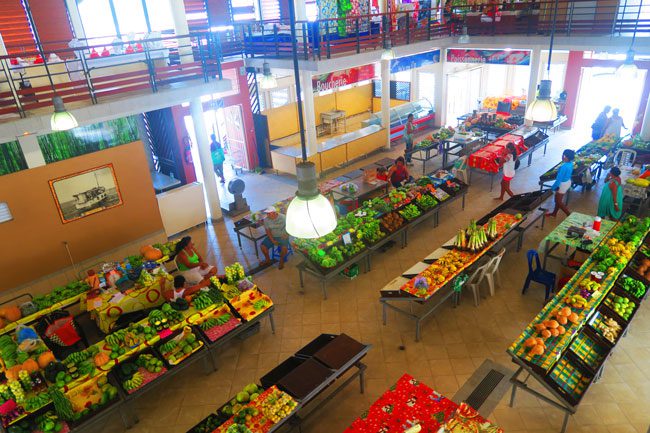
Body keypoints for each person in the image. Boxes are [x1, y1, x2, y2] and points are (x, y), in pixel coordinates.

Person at [546, 149, 575, 218]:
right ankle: (554, 213)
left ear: (567, 157)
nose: (562, 156)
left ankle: (569, 215)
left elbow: (559, 179)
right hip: (567, 182)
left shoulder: (564, 167)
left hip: (562, 184)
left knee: (558, 201)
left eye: (564, 155)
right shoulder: (570, 163)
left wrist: (554, 187)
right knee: (557, 200)